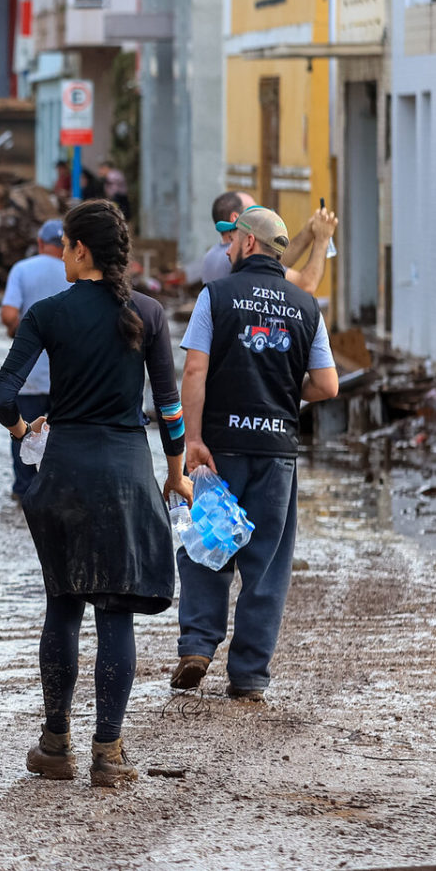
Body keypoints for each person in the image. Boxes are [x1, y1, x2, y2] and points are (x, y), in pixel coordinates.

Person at [0, 199, 190, 788]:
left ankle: (56, 745)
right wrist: (175, 472)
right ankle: (109, 751)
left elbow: (4, 396)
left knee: (63, 603)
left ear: (78, 250)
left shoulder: (47, 313)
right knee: (117, 612)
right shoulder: (148, 313)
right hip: (128, 472)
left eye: (66, 249)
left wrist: (25, 430)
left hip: (65, 471)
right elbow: (170, 409)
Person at [172, 205, 339, 702]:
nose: (225, 248)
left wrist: (191, 441)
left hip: (219, 448)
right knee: (266, 564)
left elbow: (194, 373)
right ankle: (248, 676)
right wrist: (286, 389)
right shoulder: (307, 306)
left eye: (231, 240)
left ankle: (198, 646)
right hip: (276, 451)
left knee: (208, 544)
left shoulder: (216, 296)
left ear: (247, 243)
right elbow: (327, 385)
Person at [0, 219, 70, 498]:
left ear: (40, 243)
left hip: (29, 375)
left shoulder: (23, 269)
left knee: (24, 432)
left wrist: (18, 330)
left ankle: (25, 489)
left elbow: (8, 314)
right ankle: (58, 488)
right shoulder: (74, 271)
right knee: (63, 434)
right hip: (66, 374)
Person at [199, 190, 335, 294]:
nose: (261, 215)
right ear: (236, 218)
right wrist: (322, 238)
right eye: (254, 211)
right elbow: (307, 285)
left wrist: (307, 232)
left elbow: (274, 266)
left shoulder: (213, 256)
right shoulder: (236, 255)